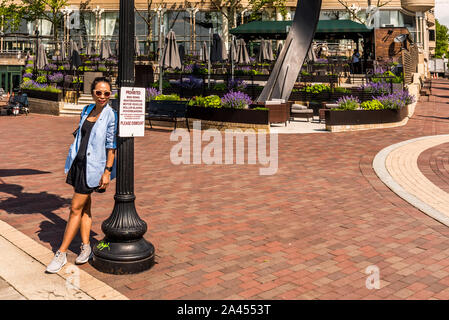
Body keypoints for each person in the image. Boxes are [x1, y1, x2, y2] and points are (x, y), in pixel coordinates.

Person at [46, 77, 117, 274]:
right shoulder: (86, 110)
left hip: (94, 167)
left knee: (74, 208)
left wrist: (107, 172)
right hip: (79, 163)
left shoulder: (111, 115)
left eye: (107, 93)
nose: (102, 96)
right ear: (92, 92)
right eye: (99, 92)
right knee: (85, 208)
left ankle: (61, 253)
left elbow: (111, 145)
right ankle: (86, 247)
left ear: (110, 94)